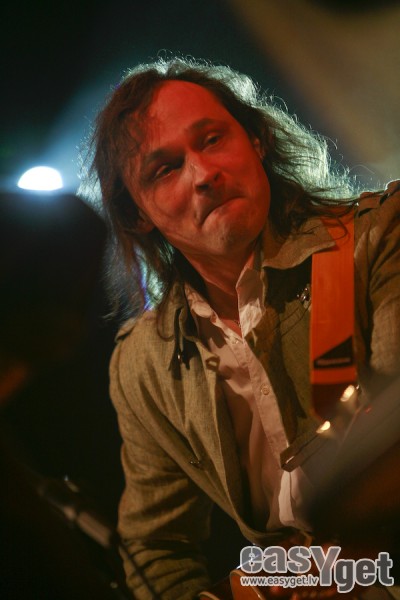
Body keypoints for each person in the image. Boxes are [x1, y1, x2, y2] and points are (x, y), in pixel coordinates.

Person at [82, 57, 400, 599]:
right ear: (137, 214)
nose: (204, 174)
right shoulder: (142, 364)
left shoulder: (377, 239)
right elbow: (154, 548)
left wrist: (285, 578)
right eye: (165, 169)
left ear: (257, 141)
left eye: (212, 139)